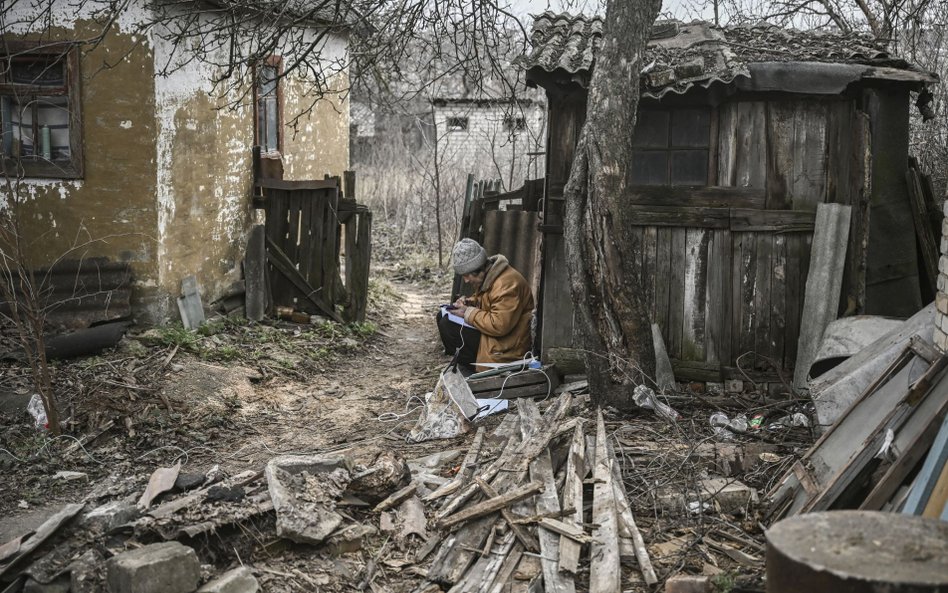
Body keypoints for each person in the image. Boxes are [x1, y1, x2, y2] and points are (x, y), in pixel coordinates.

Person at [437, 238, 535, 371]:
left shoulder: (506, 284)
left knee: (448, 325)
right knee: (442, 317)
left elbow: (499, 325)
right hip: (494, 339)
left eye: (466, 275)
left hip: (506, 348)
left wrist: (468, 312)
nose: (465, 281)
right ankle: (466, 365)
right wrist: (469, 303)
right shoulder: (490, 277)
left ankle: (472, 368)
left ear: (478, 269)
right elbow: (489, 302)